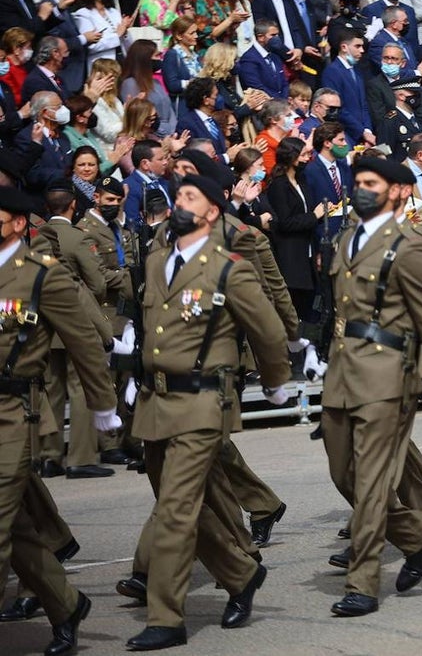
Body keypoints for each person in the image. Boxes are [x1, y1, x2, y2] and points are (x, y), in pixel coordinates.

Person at [124, 174, 290, 650]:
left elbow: (269, 332)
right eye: (178, 195)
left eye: (190, 197)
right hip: (156, 402)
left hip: (201, 403)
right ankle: (240, 574)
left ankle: (166, 618)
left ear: (213, 211)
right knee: (182, 508)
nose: (180, 202)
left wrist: (277, 382)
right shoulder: (157, 262)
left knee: (175, 511)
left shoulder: (228, 269)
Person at [321, 156, 422, 615]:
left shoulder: (408, 244)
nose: (361, 188)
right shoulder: (346, 240)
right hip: (342, 370)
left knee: (369, 483)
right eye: (358, 181)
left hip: (388, 371)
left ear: (394, 191)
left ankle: (362, 583)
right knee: (342, 472)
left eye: (371, 182)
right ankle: (417, 533)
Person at [0, 185, 121, 656]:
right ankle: (66, 604)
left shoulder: (40, 276)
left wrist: (102, 404)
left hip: (13, 416)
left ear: (16, 222)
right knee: (17, 531)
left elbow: (84, 343)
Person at [73, 0, 131, 71]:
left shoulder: (113, 11)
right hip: (101, 66)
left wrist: (125, 31)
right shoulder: (83, 14)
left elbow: (125, 38)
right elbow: (92, 46)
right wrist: (117, 35)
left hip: (121, 61)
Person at [121, 39, 177, 136]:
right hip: (151, 136)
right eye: (156, 56)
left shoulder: (156, 82)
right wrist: (161, 131)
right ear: (145, 59)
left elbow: (169, 110)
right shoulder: (130, 84)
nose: (159, 59)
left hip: (170, 134)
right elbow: (137, 116)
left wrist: (172, 130)